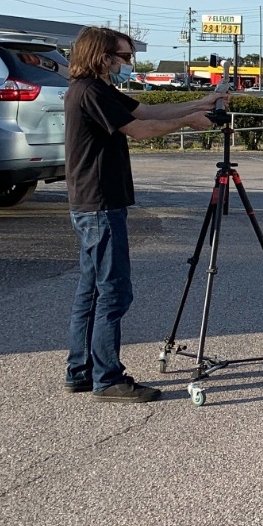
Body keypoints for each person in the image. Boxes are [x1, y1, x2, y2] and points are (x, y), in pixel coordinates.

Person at [64, 27, 226, 402]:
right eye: (124, 56)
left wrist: (201, 103)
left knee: (91, 291)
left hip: (97, 203)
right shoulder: (89, 92)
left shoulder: (99, 90)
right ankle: (107, 379)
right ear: (102, 56)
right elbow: (139, 130)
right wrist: (188, 123)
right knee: (113, 292)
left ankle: (80, 370)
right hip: (100, 205)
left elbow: (148, 110)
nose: (129, 63)